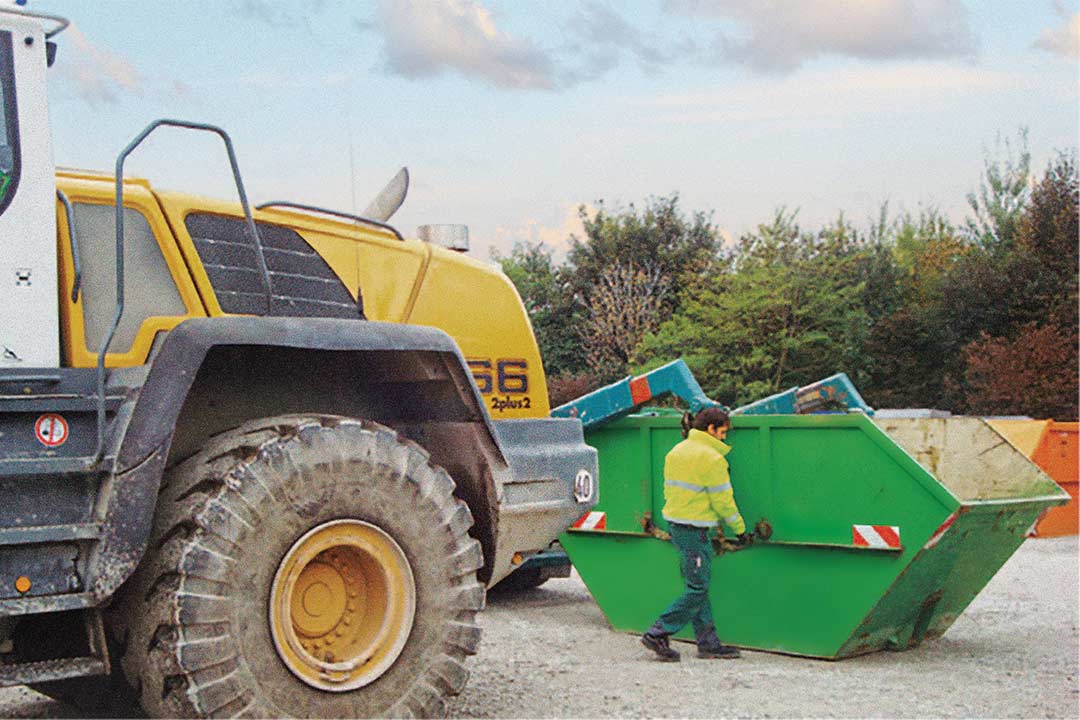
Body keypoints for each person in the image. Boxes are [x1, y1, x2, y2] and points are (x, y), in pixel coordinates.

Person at [641, 406, 750, 662]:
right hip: (694, 529)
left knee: (698, 585)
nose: (724, 438)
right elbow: (724, 502)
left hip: (679, 526)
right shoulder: (712, 459)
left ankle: (708, 644)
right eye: (722, 432)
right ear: (710, 429)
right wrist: (741, 530)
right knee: (697, 588)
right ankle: (658, 632)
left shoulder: (676, 451)